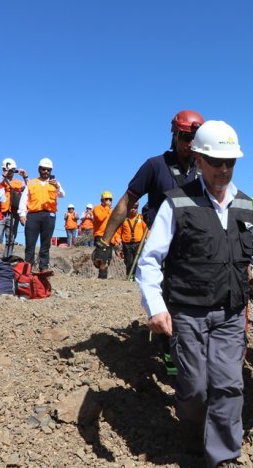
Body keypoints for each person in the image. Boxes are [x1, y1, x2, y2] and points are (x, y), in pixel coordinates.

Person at [136, 120, 253, 467]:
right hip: (187, 312)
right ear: (199, 159)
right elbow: (149, 261)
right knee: (194, 389)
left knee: (228, 386)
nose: (224, 169)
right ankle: (193, 438)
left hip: (230, 312)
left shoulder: (244, 203)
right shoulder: (177, 203)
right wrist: (155, 307)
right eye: (216, 162)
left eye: (230, 162)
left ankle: (221, 457)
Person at [93, 109, 203, 374]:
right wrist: (104, 242)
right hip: (163, 246)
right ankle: (170, 351)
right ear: (175, 135)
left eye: (196, 137)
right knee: (168, 298)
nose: (191, 143)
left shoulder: (205, 168)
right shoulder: (155, 166)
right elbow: (126, 202)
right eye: (187, 137)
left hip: (197, 246)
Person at [19, 157, 64, 271]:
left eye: (48, 170)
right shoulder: (32, 183)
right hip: (33, 215)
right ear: (39, 169)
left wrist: (57, 186)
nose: (46, 172)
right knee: (30, 243)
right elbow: (24, 199)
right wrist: (22, 214)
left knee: (45, 244)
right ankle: (28, 268)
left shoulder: (55, 183)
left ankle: (43, 267)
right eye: (44, 169)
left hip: (49, 215)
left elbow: (62, 195)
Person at [0, 158, 27, 256]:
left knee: (11, 238)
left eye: (13, 170)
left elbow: (29, 188)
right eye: (9, 170)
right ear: (3, 169)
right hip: (0, 213)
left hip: (13, 213)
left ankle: (6, 259)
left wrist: (25, 177)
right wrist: (4, 175)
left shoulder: (18, 182)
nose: (11, 172)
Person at [112, 200, 148, 278]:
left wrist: (148, 239)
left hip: (139, 244)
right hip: (127, 244)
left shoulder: (141, 218)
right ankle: (130, 276)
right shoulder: (124, 219)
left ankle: (137, 277)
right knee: (128, 261)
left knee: (138, 261)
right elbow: (118, 232)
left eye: (135, 208)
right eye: (132, 207)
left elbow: (146, 230)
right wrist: (117, 240)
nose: (133, 209)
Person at [93, 191, 113, 279]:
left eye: (110, 199)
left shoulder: (111, 211)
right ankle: (102, 277)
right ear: (102, 200)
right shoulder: (97, 208)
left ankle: (103, 277)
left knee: (107, 259)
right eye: (106, 199)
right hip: (100, 236)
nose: (108, 201)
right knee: (102, 258)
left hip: (109, 237)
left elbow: (114, 224)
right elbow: (100, 218)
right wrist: (107, 208)